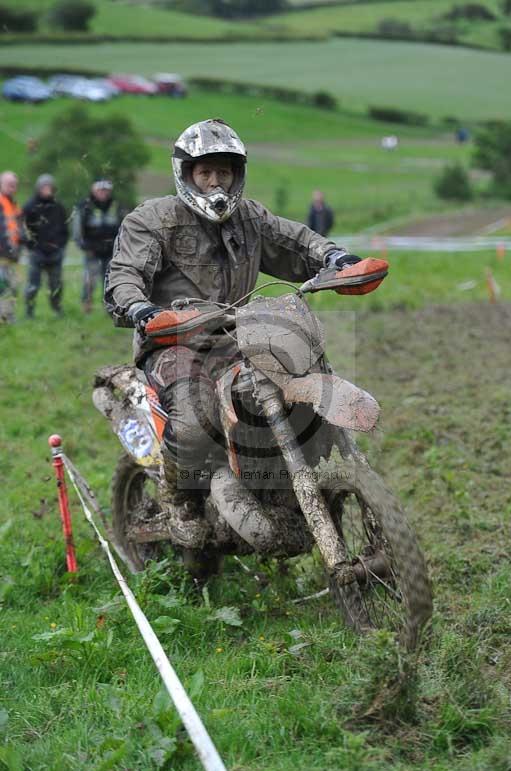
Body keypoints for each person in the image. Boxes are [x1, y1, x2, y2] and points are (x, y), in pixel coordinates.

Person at [105, 118, 362, 532]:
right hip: (174, 340)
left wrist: (335, 258)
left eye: (223, 171)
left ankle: (283, 484)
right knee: (193, 421)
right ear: (186, 174)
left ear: (236, 173)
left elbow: (294, 240)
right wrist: (140, 308)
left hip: (241, 336)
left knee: (298, 388)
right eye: (204, 172)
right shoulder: (152, 220)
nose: (215, 182)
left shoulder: (249, 217)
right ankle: (178, 498)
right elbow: (124, 274)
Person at [73, 178, 125, 313]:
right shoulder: (85, 206)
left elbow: (124, 228)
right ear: (93, 190)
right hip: (92, 251)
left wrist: (120, 247)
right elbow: (77, 230)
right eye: (100, 190)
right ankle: (87, 306)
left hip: (111, 251)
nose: (103, 193)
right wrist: (84, 247)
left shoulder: (116, 205)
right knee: (89, 281)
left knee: (110, 281)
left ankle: (110, 308)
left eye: (106, 190)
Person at [23, 174, 69, 318]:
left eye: (49, 187)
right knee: (33, 285)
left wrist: (60, 246)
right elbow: (24, 229)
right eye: (44, 187)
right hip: (37, 253)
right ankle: (29, 312)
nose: (47, 190)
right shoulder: (30, 206)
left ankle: (57, 310)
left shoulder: (59, 206)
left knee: (56, 285)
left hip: (55, 253)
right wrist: (32, 247)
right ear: (38, 188)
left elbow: (65, 229)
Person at [0, 171, 23, 324]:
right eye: (9, 184)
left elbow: (18, 228)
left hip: (12, 254)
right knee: (3, 286)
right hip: (2, 253)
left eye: (14, 185)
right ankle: (5, 317)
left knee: (12, 286)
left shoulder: (14, 204)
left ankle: (7, 316)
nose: (12, 187)